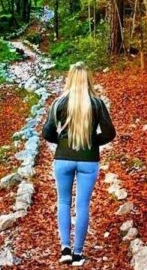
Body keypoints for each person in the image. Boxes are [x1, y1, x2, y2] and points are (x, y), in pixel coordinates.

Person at [42, 62, 116, 266]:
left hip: (63, 158)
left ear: (70, 78)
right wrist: (92, 143)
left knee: (63, 202)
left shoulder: (59, 102)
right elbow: (110, 133)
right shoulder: (97, 104)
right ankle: (78, 254)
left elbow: (47, 132)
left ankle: (64, 248)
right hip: (88, 160)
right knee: (82, 205)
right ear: (88, 79)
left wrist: (63, 142)